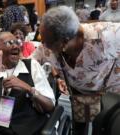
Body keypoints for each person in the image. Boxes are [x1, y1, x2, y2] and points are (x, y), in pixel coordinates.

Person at [40, 5, 120, 135]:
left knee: (102, 129)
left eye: (46, 43)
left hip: (110, 95)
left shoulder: (108, 36)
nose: (42, 46)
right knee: (79, 129)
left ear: (64, 43)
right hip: (79, 96)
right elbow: (34, 58)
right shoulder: (51, 44)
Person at [0, 32, 55, 135]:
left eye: (17, 42)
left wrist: (28, 88)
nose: (15, 46)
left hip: (29, 128)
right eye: (9, 43)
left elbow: (50, 106)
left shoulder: (32, 66)